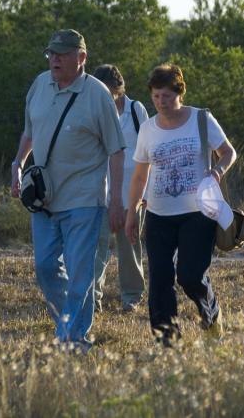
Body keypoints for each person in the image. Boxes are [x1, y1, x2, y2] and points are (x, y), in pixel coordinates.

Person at [10, 29, 126, 352]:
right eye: (51, 53)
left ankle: (74, 339)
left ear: (82, 58)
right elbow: (29, 132)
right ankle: (67, 327)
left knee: (80, 276)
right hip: (44, 200)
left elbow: (117, 150)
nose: (55, 59)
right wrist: (18, 162)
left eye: (62, 54)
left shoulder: (98, 94)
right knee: (45, 268)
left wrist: (116, 200)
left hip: (85, 201)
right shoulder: (39, 86)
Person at [124, 63, 237, 346]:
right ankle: (167, 342)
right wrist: (132, 212)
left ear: (180, 93)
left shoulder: (201, 119)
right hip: (158, 214)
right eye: (156, 96)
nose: (161, 102)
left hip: (198, 213)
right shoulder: (148, 129)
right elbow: (139, 176)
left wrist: (216, 172)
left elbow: (228, 153)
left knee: (190, 275)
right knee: (159, 281)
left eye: (167, 96)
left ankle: (211, 318)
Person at [92, 64, 149, 313]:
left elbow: (149, 152)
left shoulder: (136, 110)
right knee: (96, 251)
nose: (104, 96)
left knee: (130, 249)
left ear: (118, 89)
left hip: (133, 193)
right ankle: (92, 300)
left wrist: (147, 193)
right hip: (98, 194)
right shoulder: (92, 110)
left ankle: (132, 297)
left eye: (108, 92)